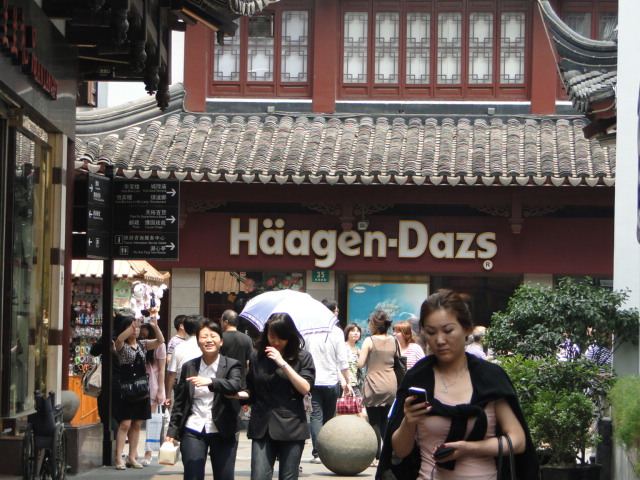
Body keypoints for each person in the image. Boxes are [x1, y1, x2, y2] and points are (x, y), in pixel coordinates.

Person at [378, 289, 539, 480]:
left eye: (448, 330)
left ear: (467, 329)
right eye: (431, 332)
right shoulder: (417, 378)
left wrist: (469, 448)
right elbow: (400, 451)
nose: (439, 340)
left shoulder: (490, 378)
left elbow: (518, 441)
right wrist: (408, 421)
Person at [165, 321, 243, 480]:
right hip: (193, 428)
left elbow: (235, 385)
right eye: (204, 337)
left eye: (213, 336)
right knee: (192, 475)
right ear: (198, 342)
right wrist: (172, 430)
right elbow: (180, 401)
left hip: (223, 429)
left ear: (221, 341)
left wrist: (211, 382)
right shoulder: (189, 366)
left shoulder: (232, 365)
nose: (209, 340)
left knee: (224, 476)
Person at [244, 313, 315, 480]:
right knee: (259, 476)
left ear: (290, 336)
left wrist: (283, 363)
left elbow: (305, 388)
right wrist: (236, 393)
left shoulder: (303, 357)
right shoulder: (257, 356)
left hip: (291, 425)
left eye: (281, 337)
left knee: (288, 476)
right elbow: (251, 389)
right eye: (272, 336)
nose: (276, 342)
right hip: (262, 426)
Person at [114, 313, 165, 469]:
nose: (135, 330)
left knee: (137, 423)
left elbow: (160, 341)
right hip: (127, 388)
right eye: (131, 328)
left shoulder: (142, 344)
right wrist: (133, 325)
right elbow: (120, 339)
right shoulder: (121, 346)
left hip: (141, 388)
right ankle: (118, 458)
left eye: (136, 328)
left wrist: (155, 326)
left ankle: (132, 456)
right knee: (125, 424)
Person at [303, 299, 351, 464]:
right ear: (331, 311)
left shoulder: (308, 330)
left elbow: (302, 353)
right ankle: (327, 451)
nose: (337, 314)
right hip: (331, 381)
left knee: (316, 416)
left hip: (313, 381)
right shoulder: (336, 332)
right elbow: (342, 360)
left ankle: (318, 453)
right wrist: (348, 381)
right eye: (336, 311)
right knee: (329, 418)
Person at [358, 310, 397, 466]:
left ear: (374, 324)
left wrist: (361, 355)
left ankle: (378, 456)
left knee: (374, 420)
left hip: (374, 383)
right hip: (391, 383)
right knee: (385, 419)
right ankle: (390, 451)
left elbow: (360, 364)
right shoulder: (394, 340)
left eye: (370, 321)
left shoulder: (369, 340)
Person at [138, 323, 167, 465]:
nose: (142, 337)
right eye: (141, 335)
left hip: (154, 385)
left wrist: (161, 390)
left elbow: (162, 369)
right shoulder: (138, 344)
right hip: (139, 384)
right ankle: (134, 453)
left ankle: (148, 453)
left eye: (145, 335)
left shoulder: (159, 346)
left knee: (152, 420)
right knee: (136, 420)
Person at [166, 315, 205, 407]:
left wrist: (168, 396)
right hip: (203, 384)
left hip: (182, 386)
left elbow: (171, 373)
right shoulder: (206, 346)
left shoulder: (179, 348)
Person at [220, 309, 253, 384]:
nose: (220, 322)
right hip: (241, 380)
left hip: (224, 380)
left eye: (221, 320)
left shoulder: (220, 338)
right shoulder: (247, 338)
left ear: (226, 322)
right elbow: (249, 362)